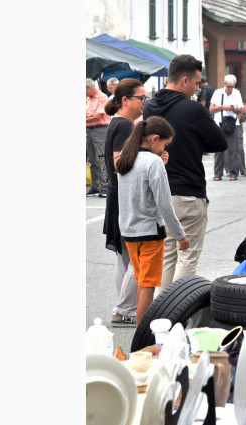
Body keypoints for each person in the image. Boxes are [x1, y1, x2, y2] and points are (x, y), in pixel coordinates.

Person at [143, 54, 228, 290]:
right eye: (196, 82)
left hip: (159, 191)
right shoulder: (193, 109)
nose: (198, 88)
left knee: (168, 254)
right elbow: (221, 143)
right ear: (183, 80)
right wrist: (195, 143)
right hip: (189, 192)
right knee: (188, 255)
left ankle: (161, 314)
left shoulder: (149, 105)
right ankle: (177, 312)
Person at [115, 116, 190, 325]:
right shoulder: (153, 162)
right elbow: (164, 204)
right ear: (155, 138)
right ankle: (142, 337)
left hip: (129, 230)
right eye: (164, 144)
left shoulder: (125, 157)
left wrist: (160, 165)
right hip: (150, 231)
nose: (164, 149)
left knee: (142, 282)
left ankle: (141, 332)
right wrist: (180, 235)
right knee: (148, 285)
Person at [102, 78, 147, 327]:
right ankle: (123, 309)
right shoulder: (124, 126)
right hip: (124, 196)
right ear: (126, 100)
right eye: (141, 98)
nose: (144, 102)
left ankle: (125, 309)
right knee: (137, 255)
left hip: (117, 194)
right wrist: (148, 159)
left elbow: (108, 162)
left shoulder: (119, 123)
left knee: (125, 256)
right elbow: (119, 164)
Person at [210, 75, 246, 181]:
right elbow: (211, 109)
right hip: (219, 123)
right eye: (228, 87)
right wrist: (223, 107)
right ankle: (217, 173)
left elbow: (240, 110)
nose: (230, 89)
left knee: (234, 149)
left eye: (232, 87)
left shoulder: (236, 93)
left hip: (233, 124)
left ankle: (233, 173)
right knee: (219, 150)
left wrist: (234, 109)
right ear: (224, 84)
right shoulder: (218, 93)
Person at [86, 78, 111, 197]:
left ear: (88, 88)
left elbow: (98, 116)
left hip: (100, 129)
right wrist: (90, 116)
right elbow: (91, 115)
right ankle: (96, 186)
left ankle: (106, 185)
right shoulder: (88, 99)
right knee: (92, 159)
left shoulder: (102, 97)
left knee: (101, 157)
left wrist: (90, 116)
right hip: (90, 129)